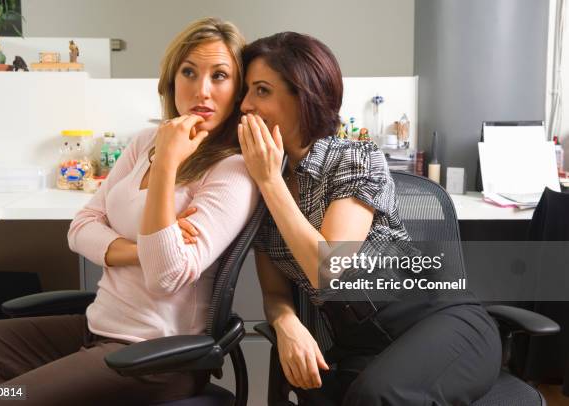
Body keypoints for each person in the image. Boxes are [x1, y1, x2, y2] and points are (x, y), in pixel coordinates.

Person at [182, 32, 502, 405]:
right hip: (361, 343)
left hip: (438, 320)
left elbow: (331, 265)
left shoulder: (355, 158)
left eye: (262, 91)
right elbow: (274, 293)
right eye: (247, 92)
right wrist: (286, 325)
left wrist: (270, 182)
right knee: (328, 394)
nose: (247, 105)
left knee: (377, 396)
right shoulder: (261, 187)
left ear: (304, 98)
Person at [0, 17, 257, 405]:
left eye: (220, 75)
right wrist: (142, 249)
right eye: (189, 71)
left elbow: (166, 276)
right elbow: (80, 227)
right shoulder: (145, 141)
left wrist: (166, 165)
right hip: (95, 330)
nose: (202, 90)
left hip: (152, 358)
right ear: (171, 79)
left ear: (237, 90)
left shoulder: (233, 168)